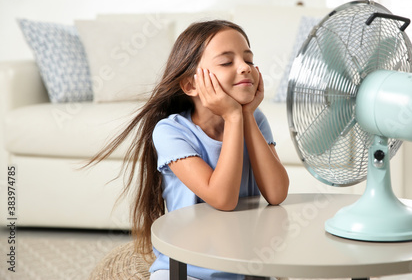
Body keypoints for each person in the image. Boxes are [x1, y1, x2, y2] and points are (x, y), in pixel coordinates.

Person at [88, 20, 289, 280]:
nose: (244, 68)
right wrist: (234, 118)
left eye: (249, 60)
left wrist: (247, 116)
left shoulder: (254, 119)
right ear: (191, 85)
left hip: (248, 267)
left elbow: (276, 193)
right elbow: (223, 199)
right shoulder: (171, 131)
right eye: (227, 62)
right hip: (188, 269)